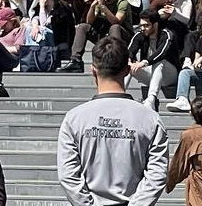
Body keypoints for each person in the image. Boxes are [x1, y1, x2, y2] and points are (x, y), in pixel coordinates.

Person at [58, 36, 169, 206]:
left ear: (93, 70)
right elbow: (157, 175)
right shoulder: (150, 119)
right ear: (127, 70)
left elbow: (68, 176)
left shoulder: (74, 119)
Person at [59, 0, 132, 73]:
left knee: (115, 28)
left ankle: (116, 59)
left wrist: (103, 7)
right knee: (82, 27)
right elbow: (89, 22)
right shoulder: (100, 1)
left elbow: (116, 21)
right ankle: (75, 60)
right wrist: (93, 6)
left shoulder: (122, 2)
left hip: (122, 35)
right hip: (104, 34)